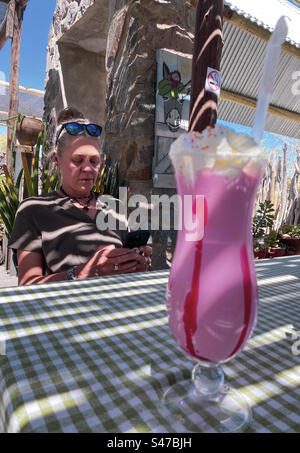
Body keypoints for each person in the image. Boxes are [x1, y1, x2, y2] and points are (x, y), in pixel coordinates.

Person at [8, 107, 152, 286]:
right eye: (77, 160)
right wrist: (83, 273)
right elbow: (27, 286)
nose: (88, 169)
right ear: (56, 159)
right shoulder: (34, 210)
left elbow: (119, 267)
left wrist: (136, 263)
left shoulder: (115, 207)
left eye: (94, 161)